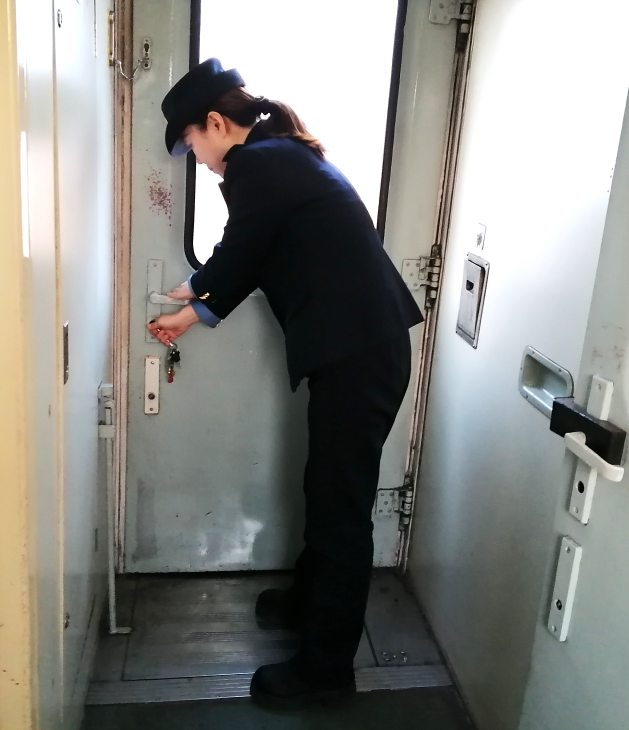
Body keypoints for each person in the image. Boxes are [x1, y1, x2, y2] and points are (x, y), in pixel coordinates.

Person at [148, 58, 423, 709]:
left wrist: (190, 299)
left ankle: (326, 670)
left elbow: (242, 250)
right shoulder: (281, 158)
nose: (197, 158)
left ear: (216, 123)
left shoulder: (260, 165)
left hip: (359, 355)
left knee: (339, 507)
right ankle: (308, 602)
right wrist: (193, 305)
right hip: (362, 350)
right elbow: (257, 251)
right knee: (325, 489)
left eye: (191, 142)